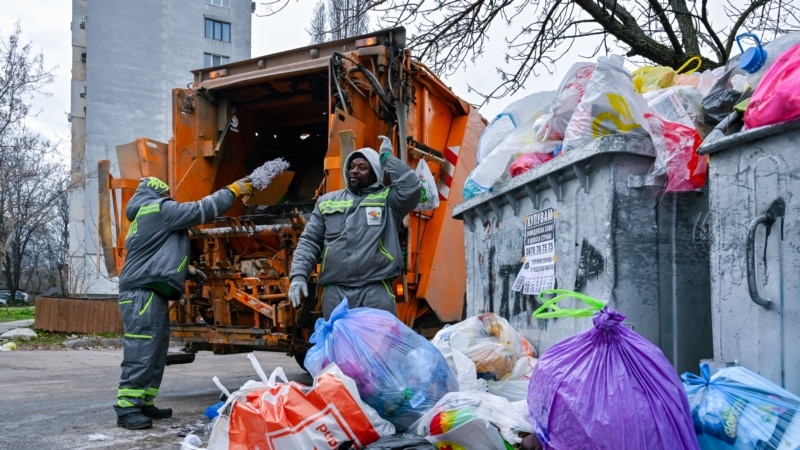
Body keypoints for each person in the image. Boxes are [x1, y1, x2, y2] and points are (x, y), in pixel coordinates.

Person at [114, 175, 253, 430]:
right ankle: (127, 407)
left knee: (155, 348)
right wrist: (233, 190)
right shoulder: (158, 208)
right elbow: (201, 209)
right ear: (160, 193)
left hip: (147, 290)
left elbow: (152, 255)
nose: (171, 199)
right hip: (142, 292)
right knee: (142, 348)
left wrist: (184, 271)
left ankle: (143, 401)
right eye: (168, 194)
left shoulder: (146, 214)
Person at [288, 135, 422, 319]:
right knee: (338, 338)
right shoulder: (327, 201)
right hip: (335, 292)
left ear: (375, 172)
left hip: (375, 290)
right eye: (351, 167)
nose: (354, 171)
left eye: (362, 168)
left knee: (377, 338)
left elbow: (411, 188)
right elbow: (309, 241)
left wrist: (387, 159)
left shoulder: (388, 200)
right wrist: (298, 275)